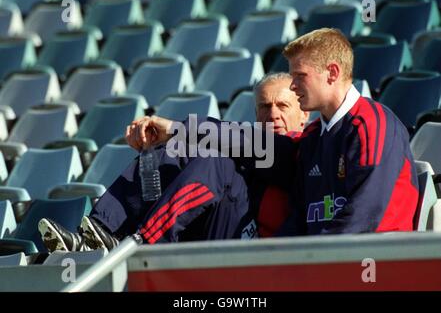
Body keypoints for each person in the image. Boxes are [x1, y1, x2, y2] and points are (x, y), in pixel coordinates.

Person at [129, 28, 419, 237]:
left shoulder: (373, 124)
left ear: (332, 73)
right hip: (317, 265)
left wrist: (301, 265)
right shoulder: (314, 137)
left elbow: (365, 217)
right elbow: (247, 144)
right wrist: (179, 131)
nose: (292, 86)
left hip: (366, 270)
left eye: (299, 76)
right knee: (199, 151)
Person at [38, 72, 309, 252]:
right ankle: (101, 231)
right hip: (221, 237)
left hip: (265, 253)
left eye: (283, 106)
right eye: (264, 106)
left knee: (215, 155)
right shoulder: (248, 142)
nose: (273, 114)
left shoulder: (304, 145)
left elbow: (251, 144)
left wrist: (178, 127)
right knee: (179, 147)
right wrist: (170, 136)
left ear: (304, 114)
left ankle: (144, 244)